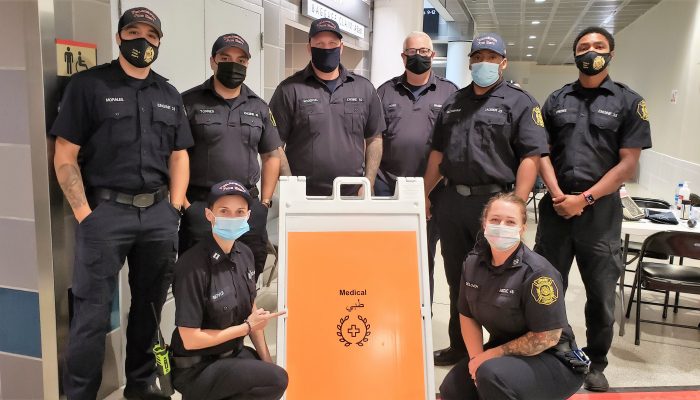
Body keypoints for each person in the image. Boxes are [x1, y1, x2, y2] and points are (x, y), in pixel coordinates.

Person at [50, 7, 193, 399]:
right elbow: (65, 155)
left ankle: (142, 385)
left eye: (150, 34)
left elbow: (180, 154)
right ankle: (80, 394)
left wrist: (175, 206)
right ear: (119, 37)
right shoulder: (88, 86)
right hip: (105, 215)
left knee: (148, 308)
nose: (141, 41)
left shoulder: (168, 93)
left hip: (159, 216)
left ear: (159, 42)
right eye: (133, 32)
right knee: (91, 316)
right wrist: (86, 215)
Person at [534, 27, 652, 392]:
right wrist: (558, 196)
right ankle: (553, 350)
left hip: (600, 213)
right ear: (574, 55)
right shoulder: (555, 100)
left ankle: (595, 361)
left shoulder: (629, 102)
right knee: (547, 288)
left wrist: (583, 200)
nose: (590, 51)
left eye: (598, 46)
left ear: (610, 54)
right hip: (556, 209)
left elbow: (627, 164)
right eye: (583, 47)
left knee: (600, 294)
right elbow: (541, 152)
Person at [423, 33, 548, 366]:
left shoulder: (521, 102)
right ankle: (459, 346)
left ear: (503, 62)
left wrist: (517, 207)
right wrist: (423, 193)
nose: (484, 63)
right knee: (458, 278)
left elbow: (530, 157)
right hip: (452, 202)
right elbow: (438, 153)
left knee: (498, 280)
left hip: (495, 205)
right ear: (470, 61)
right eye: (479, 57)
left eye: (492, 58)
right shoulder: (453, 102)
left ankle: (501, 350)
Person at [439, 193, 586, 400]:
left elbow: (547, 337)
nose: (502, 226)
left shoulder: (538, 273)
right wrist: (475, 359)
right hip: (506, 353)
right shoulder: (472, 263)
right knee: (453, 388)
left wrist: (489, 357)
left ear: (522, 228)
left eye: (510, 222)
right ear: (484, 224)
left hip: (554, 359)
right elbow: (467, 315)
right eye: (495, 220)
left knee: (491, 375)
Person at [170, 180, 288, 400]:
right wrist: (244, 328)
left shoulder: (245, 254)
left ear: (248, 216)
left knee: (269, 377)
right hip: (197, 367)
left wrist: (266, 360)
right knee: (276, 379)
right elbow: (191, 339)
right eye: (224, 211)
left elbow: (252, 315)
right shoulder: (191, 266)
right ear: (209, 215)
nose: (232, 218)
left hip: (230, 355)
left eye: (239, 211)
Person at [180, 33, 282, 280]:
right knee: (197, 284)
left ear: (247, 64)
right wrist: (185, 205)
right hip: (203, 210)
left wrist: (264, 204)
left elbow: (271, 156)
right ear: (213, 61)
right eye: (225, 57)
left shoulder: (259, 107)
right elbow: (175, 155)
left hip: (246, 211)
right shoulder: (188, 102)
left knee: (245, 284)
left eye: (241, 59)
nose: (234, 64)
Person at [375, 31, 457, 301]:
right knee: (386, 256)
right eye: (412, 52)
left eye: (424, 51)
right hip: (388, 187)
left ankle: (421, 318)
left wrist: (425, 194)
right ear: (403, 56)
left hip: (432, 192)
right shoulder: (385, 91)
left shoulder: (450, 92)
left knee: (423, 257)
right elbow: (373, 140)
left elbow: (451, 147)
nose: (418, 56)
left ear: (433, 55)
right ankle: (387, 312)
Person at [269, 17, 385, 196]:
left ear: (341, 47)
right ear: (309, 47)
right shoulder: (288, 90)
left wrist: (368, 183)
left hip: (353, 194)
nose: (326, 48)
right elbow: (274, 143)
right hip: (304, 197)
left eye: (332, 43)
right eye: (319, 44)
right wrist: (290, 185)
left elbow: (374, 138)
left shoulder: (364, 88)